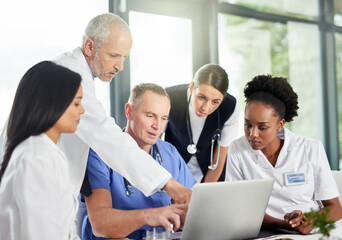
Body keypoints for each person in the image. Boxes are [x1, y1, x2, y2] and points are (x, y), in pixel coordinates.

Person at [0, 13, 191, 203]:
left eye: (124, 57)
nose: (121, 66)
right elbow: (106, 135)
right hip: (32, 187)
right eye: (114, 55)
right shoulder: (70, 75)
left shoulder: (73, 71)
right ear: (90, 47)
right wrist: (169, 184)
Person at [225, 74, 342, 235]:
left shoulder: (310, 148)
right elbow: (239, 209)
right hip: (266, 232)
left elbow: (335, 208)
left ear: (280, 124)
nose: (253, 134)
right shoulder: (237, 150)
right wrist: (287, 225)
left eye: (262, 127)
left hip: (313, 233)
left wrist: (311, 220)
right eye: (247, 124)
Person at [81, 83, 196, 240]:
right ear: (129, 111)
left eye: (163, 118)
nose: (157, 126)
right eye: (150, 116)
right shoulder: (99, 154)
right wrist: (153, 215)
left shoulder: (170, 153)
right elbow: (99, 224)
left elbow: (193, 205)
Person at [0, 61, 84, 240]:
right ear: (53, 103)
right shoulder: (35, 158)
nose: (82, 110)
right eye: (76, 104)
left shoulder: (45, 152)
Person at [165, 64, 240, 183]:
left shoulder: (231, 107)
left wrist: (204, 192)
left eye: (215, 102)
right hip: (172, 172)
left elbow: (219, 159)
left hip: (210, 173)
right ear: (191, 88)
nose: (206, 107)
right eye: (201, 97)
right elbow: (154, 146)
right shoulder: (168, 97)